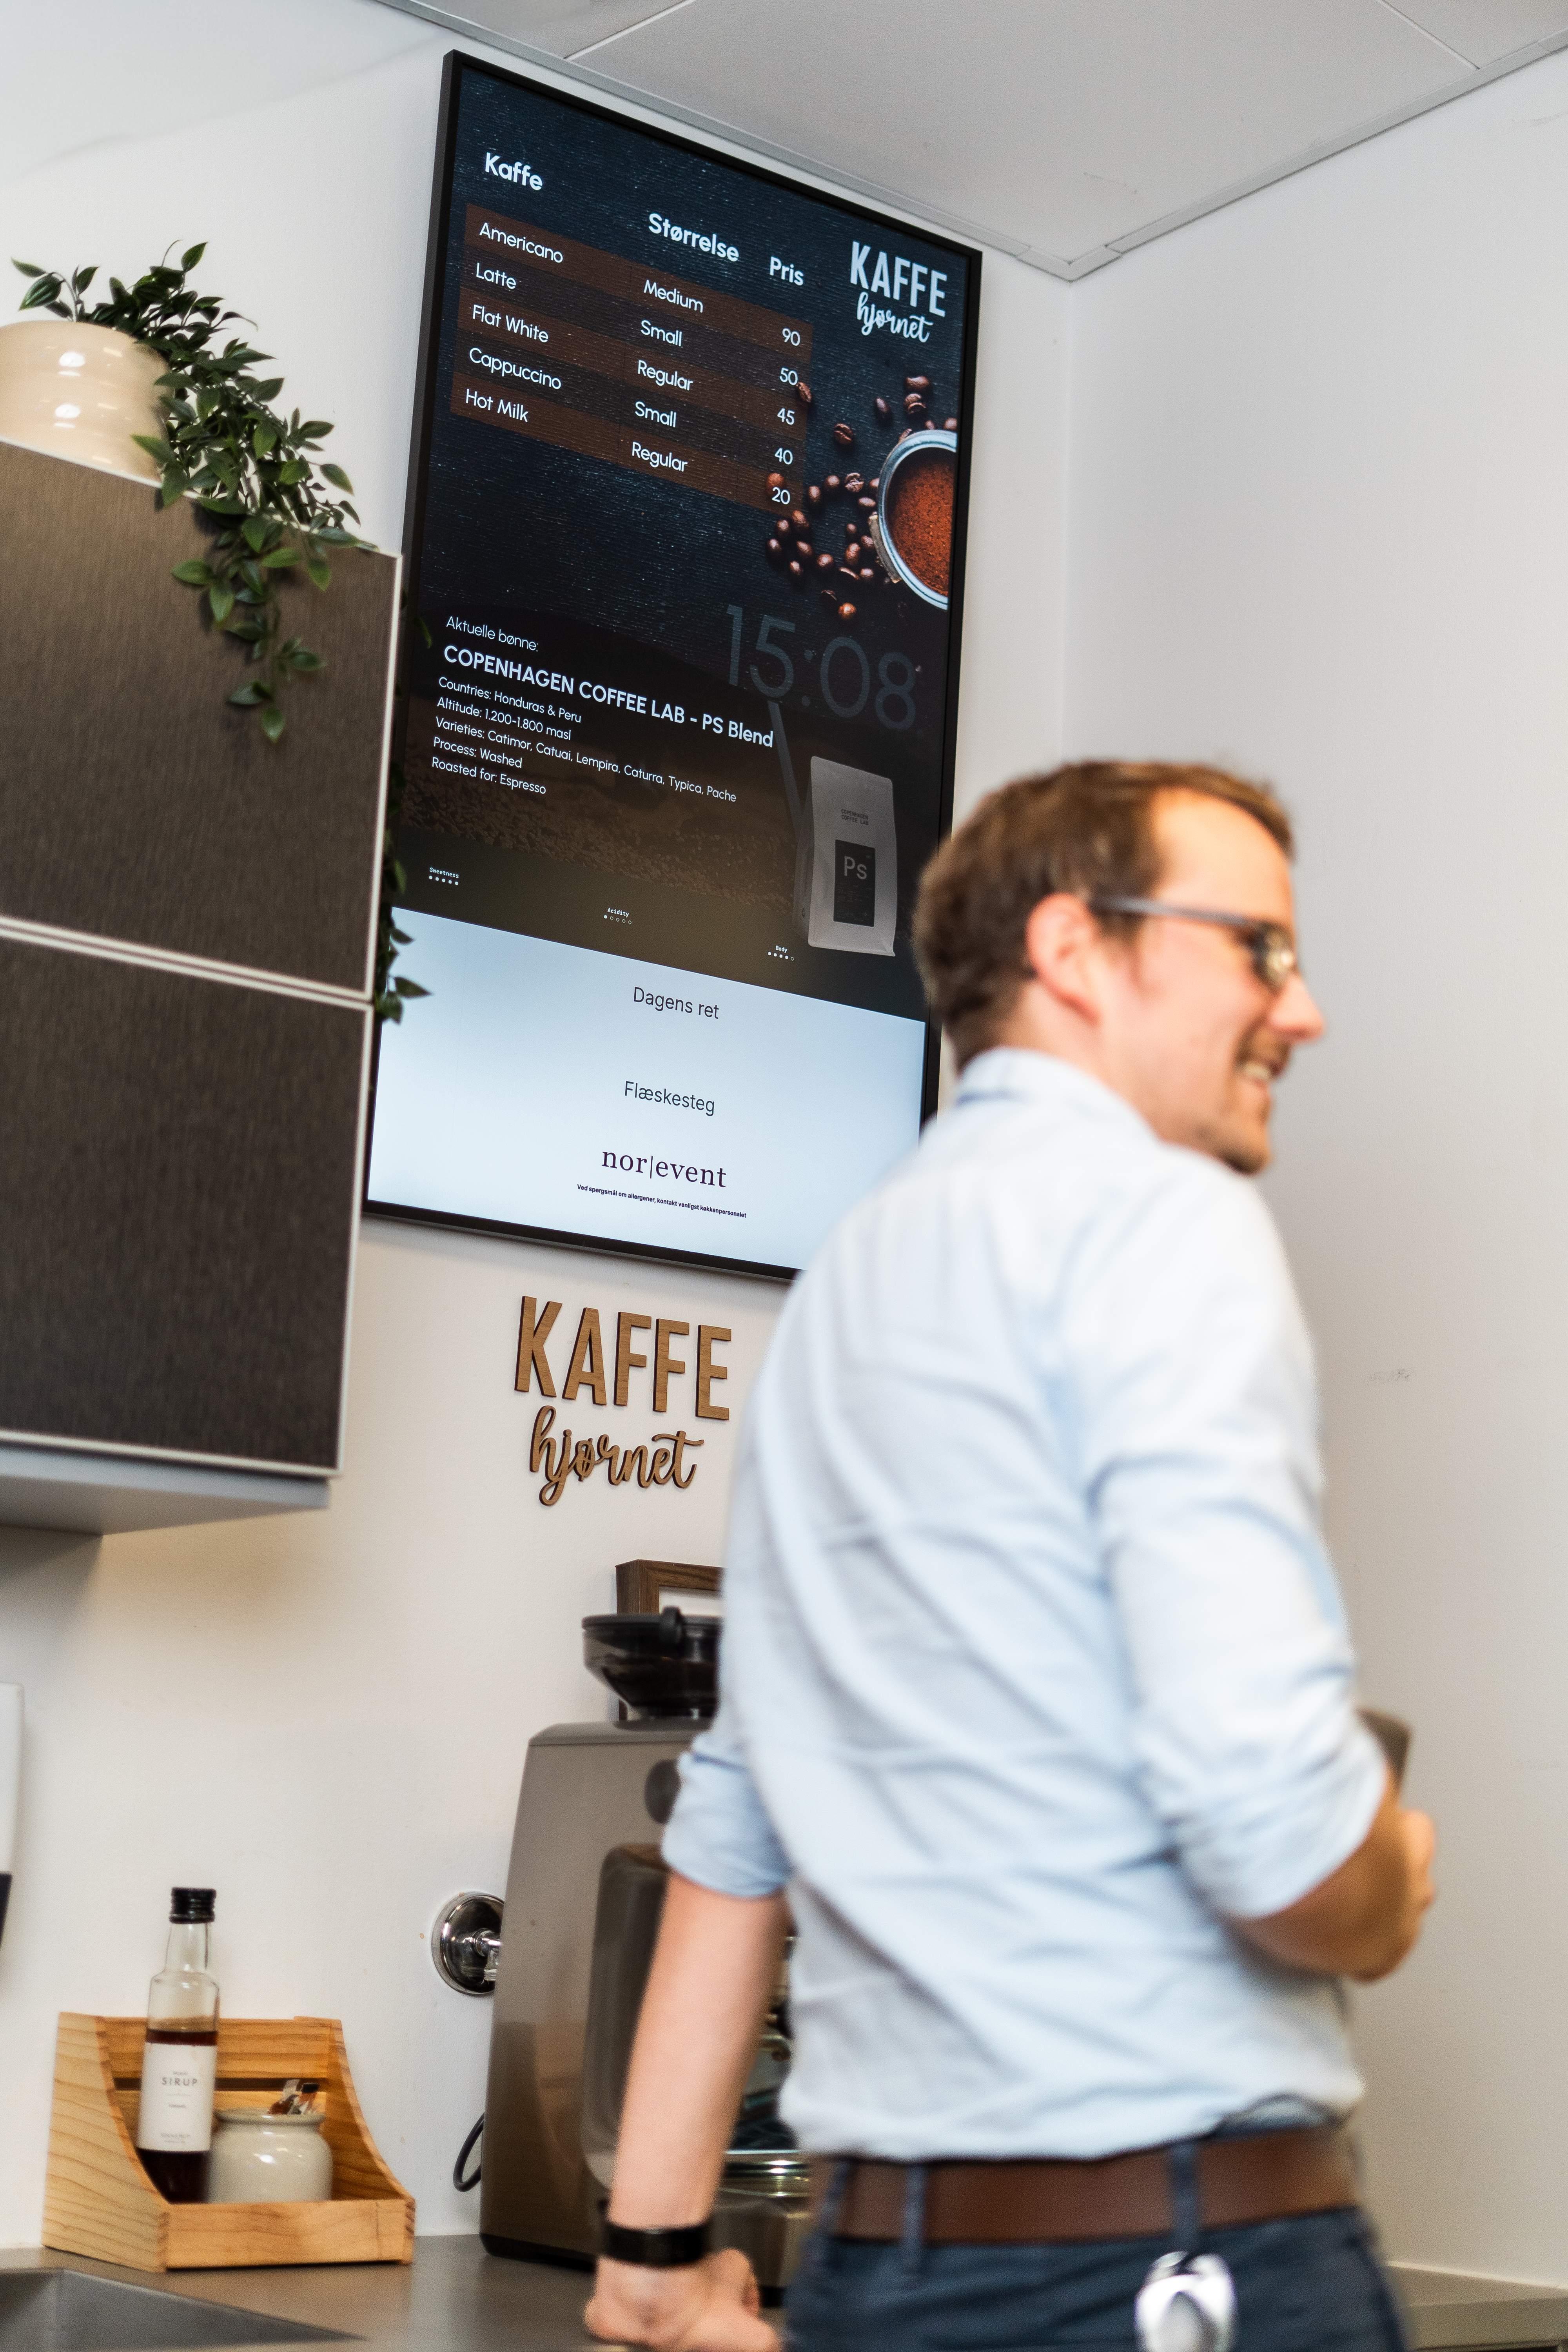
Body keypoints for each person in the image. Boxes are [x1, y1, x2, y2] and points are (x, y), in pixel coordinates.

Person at [585, 762, 1436, 2352]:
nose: (1299, 1010)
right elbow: (1274, 1838)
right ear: (1075, 948)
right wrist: (1387, 1874)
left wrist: (650, 2243)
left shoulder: (838, 1291)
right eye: (1258, 947)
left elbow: (741, 1807)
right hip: (1170, 2269)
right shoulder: (1158, 1222)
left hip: (879, 2280)